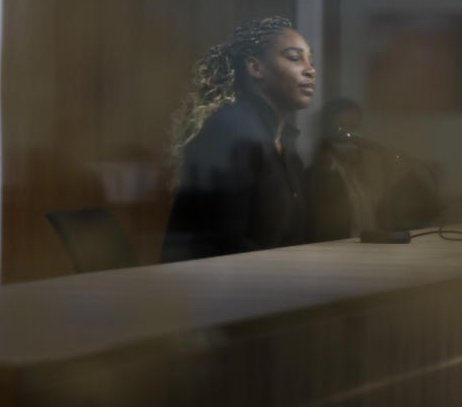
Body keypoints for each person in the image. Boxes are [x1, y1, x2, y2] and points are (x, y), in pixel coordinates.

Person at [161, 16, 315, 262]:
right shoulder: (230, 130)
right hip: (211, 291)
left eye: (310, 59)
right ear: (255, 67)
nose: (310, 69)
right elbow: (227, 244)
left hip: (264, 286)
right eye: (294, 58)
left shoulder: (282, 142)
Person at [305, 98, 439, 241]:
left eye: (354, 127)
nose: (349, 135)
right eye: (341, 127)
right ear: (328, 131)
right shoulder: (320, 175)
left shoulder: (366, 171)